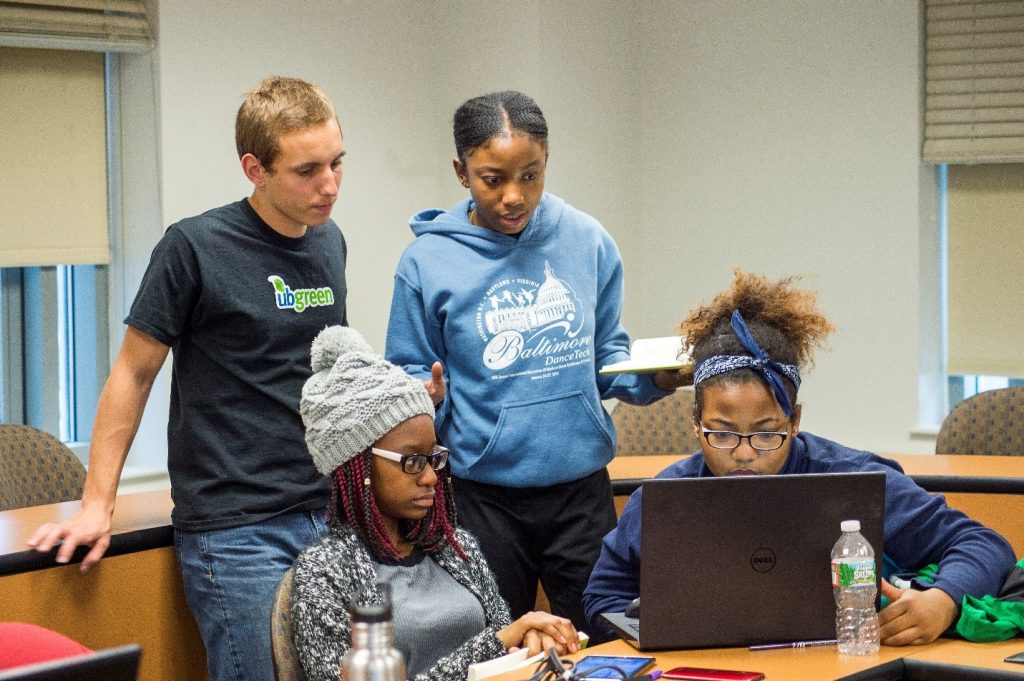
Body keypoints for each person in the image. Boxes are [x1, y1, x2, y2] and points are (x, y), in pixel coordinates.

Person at [26, 76, 348, 681]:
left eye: (336, 163)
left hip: (324, 511)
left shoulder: (329, 242)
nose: (328, 185)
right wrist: (98, 504)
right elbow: (132, 373)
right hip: (236, 529)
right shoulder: (194, 247)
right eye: (307, 171)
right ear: (255, 168)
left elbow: (328, 367)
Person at [384, 90, 689, 633]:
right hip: (483, 498)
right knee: (498, 646)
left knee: (607, 641)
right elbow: (407, 371)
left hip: (580, 492)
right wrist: (420, 397)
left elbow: (607, 358)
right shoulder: (426, 262)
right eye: (492, 178)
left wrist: (658, 377)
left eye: (530, 175)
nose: (512, 196)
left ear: (547, 160)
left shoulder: (588, 241)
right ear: (461, 172)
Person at [582, 269, 1017, 646]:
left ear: (795, 421)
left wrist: (943, 601)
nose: (745, 454)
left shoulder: (853, 480)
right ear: (695, 423)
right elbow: (603, 596)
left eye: (768, 433)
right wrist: (647, 631)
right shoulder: (664, 498)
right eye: (722, 434)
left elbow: (984, 544)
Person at [292, 325, 580, 681]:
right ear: (358, 465)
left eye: (434, 457)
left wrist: (527, 640)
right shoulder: (324, 573)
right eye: (411, 460)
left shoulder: (455, 548)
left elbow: (505, 647)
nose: (430, 476)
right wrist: (496, 642)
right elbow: (495, 641)